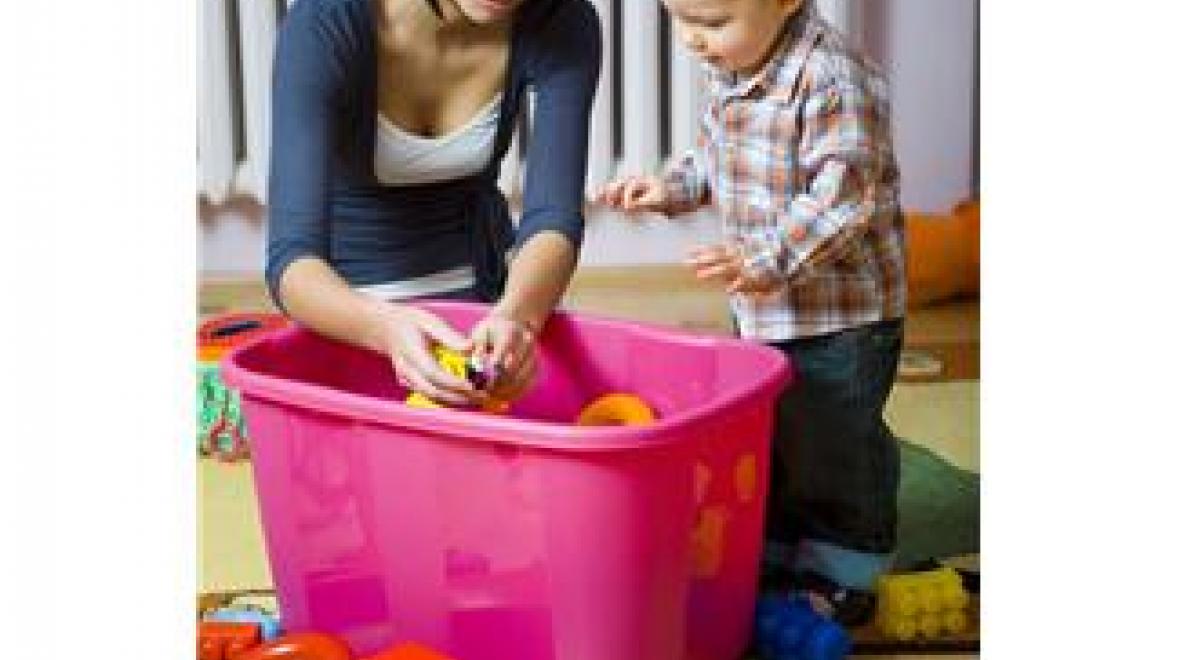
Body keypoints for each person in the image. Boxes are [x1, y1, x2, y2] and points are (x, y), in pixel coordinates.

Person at [594, 0, 905, 625]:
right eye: (679, 19)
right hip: (763, 306)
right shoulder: (736, 60)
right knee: (776, 429)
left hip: (838, 316)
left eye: (712, 23)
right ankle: (784, 548)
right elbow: (716, 156)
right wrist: (671, 187)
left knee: (832, 438)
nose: (693, 40)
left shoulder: (834, 79)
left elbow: (843, 204)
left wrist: (763, 259)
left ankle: (849, 566)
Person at [266, 0, 600, 406]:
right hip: (352, 318)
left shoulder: (562, 19)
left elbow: (553, 217)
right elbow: (292, 264)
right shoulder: (325, 22)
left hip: (484, 305)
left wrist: (517, 318)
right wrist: (384, 327)